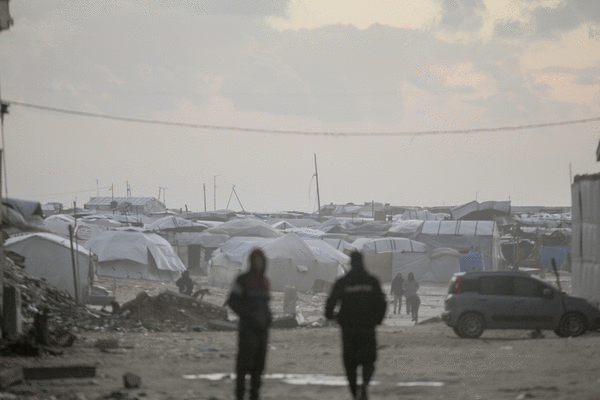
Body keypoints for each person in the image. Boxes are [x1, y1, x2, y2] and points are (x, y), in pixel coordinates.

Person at [325, 251, 387, 400]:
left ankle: (354, 393)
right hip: (367, 327)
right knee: (369, 360)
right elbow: (382, 303)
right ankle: (364, 385)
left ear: (351, 263)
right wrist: (377, 319)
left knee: (350, 363)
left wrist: (331, 316)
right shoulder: (372, 281)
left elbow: (331, 302)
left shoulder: (343, 281)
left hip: (348, 328)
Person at [227, 248, 272, 400]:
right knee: (243, 364)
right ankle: (240, 394)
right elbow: (232, 301)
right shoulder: (242, 280)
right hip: (248, 330)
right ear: (251, 262)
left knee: (259, 366)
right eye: (256, 260)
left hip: (262, 330)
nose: (259, 264)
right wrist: (248, 315)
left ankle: (254, 395)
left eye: (261, 260)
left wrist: (268, 318)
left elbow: (266, 304)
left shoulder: (264, 281)